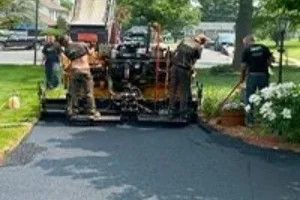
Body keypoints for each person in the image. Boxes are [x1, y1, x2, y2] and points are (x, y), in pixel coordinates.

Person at [58, 35, 101, 119]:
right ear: (69, 38)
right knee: (89, 93)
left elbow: (68, 63)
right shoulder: (82, 44)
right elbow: (91, 54)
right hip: (85, 70)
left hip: (75, 71)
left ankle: (74, 111)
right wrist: (94, 46)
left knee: (74, 93)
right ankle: (92, 111)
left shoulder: (67, 50)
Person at [168, 33, 207, 119]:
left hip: (174, 67)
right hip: (184, 70)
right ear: (202, 42)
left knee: (173, 90)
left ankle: (171, 111)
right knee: (184, 91)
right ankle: (183, 112)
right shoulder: (198, 47)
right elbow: (195, 59)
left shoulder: (184, 41)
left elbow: (174, 52)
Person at [240, 35, 273, 126]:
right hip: (263, 75)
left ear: (247, 42)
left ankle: (250, 121)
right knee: (265, 97)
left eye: (244, 44)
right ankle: (266, 119)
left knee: (249, 97)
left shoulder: (246, 51)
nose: (244, 45)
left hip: (252, 76)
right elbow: (270, 60)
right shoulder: (264, 48)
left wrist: (242, 78)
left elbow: (243, 66)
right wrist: (267, 65)